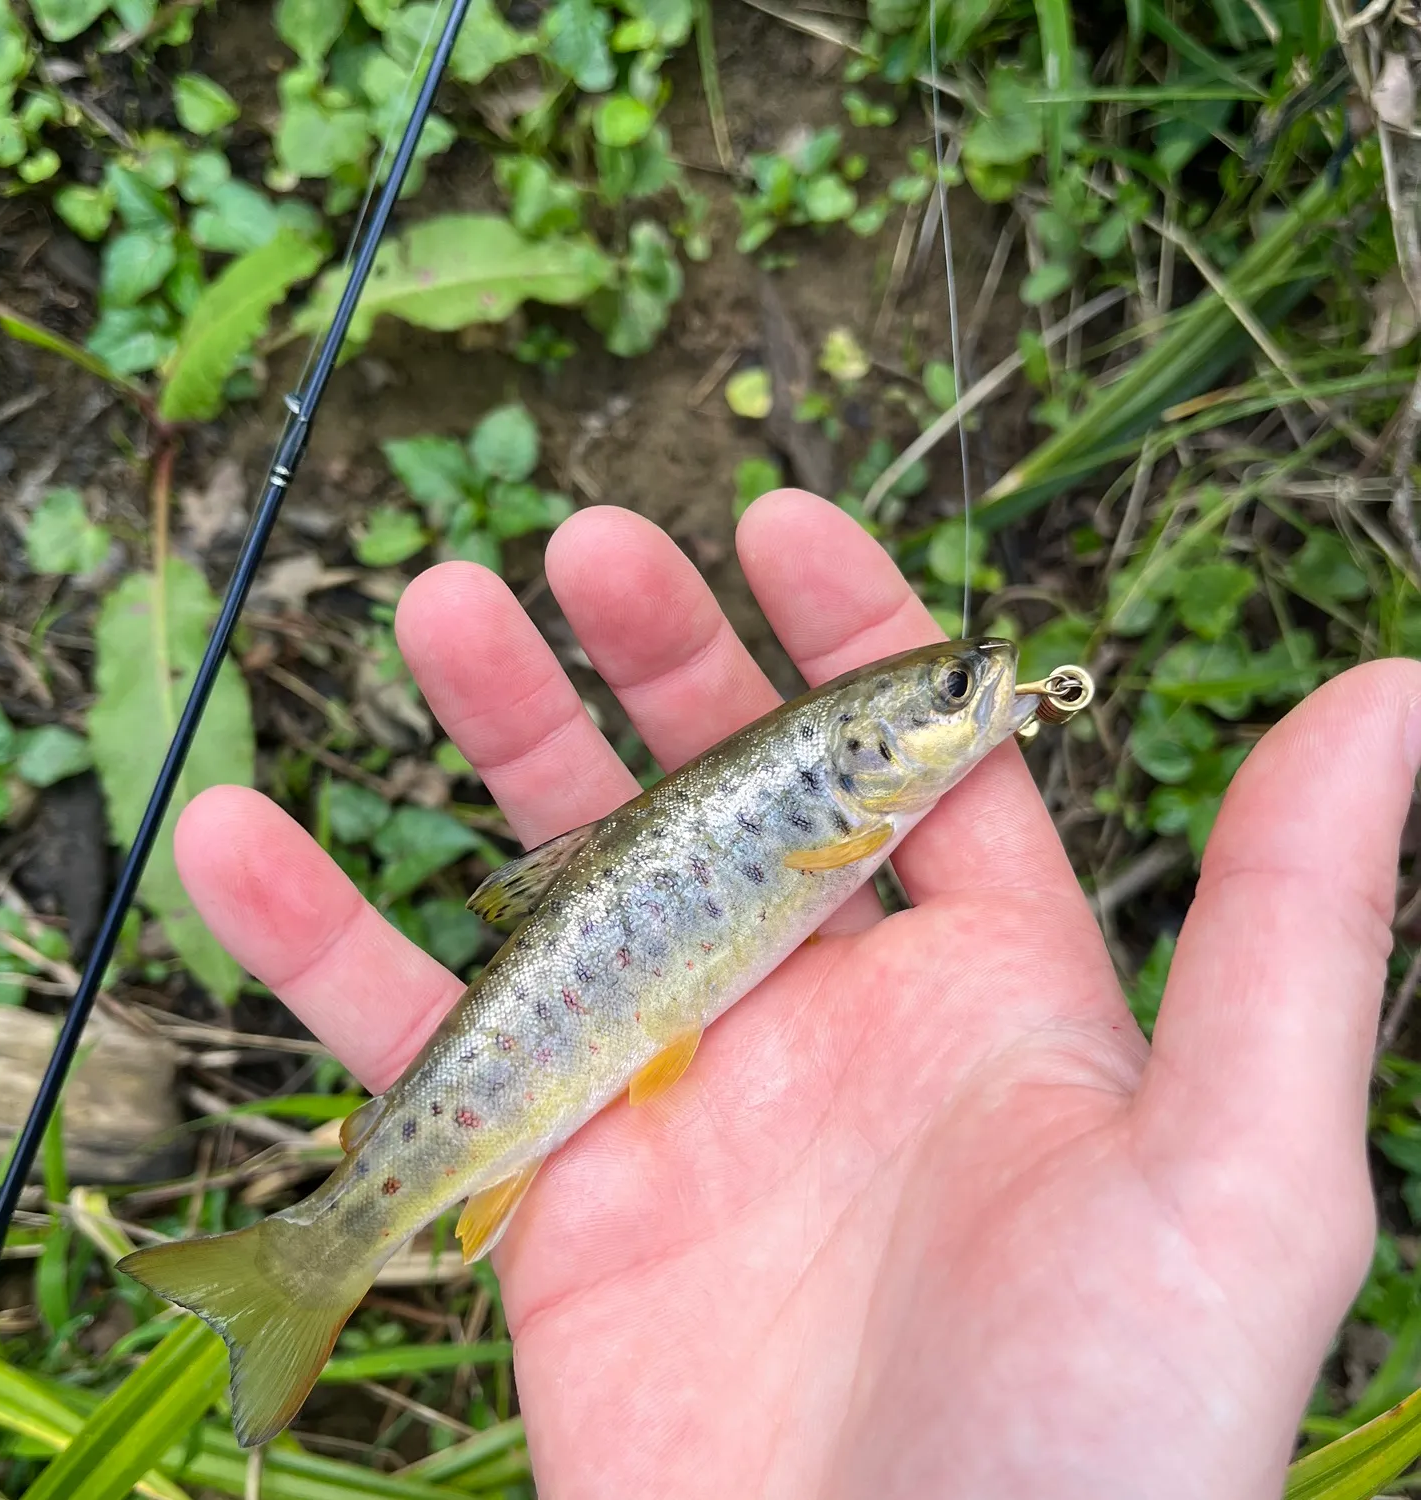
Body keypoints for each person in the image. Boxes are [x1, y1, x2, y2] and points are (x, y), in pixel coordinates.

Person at [174, 490, 1421, 1497]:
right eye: (952, 695)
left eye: (954, 692)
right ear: (863, 754)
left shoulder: (863, 809)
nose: (980, 688)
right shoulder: (841, 811)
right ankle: (314, 1255)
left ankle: (321, 1249)